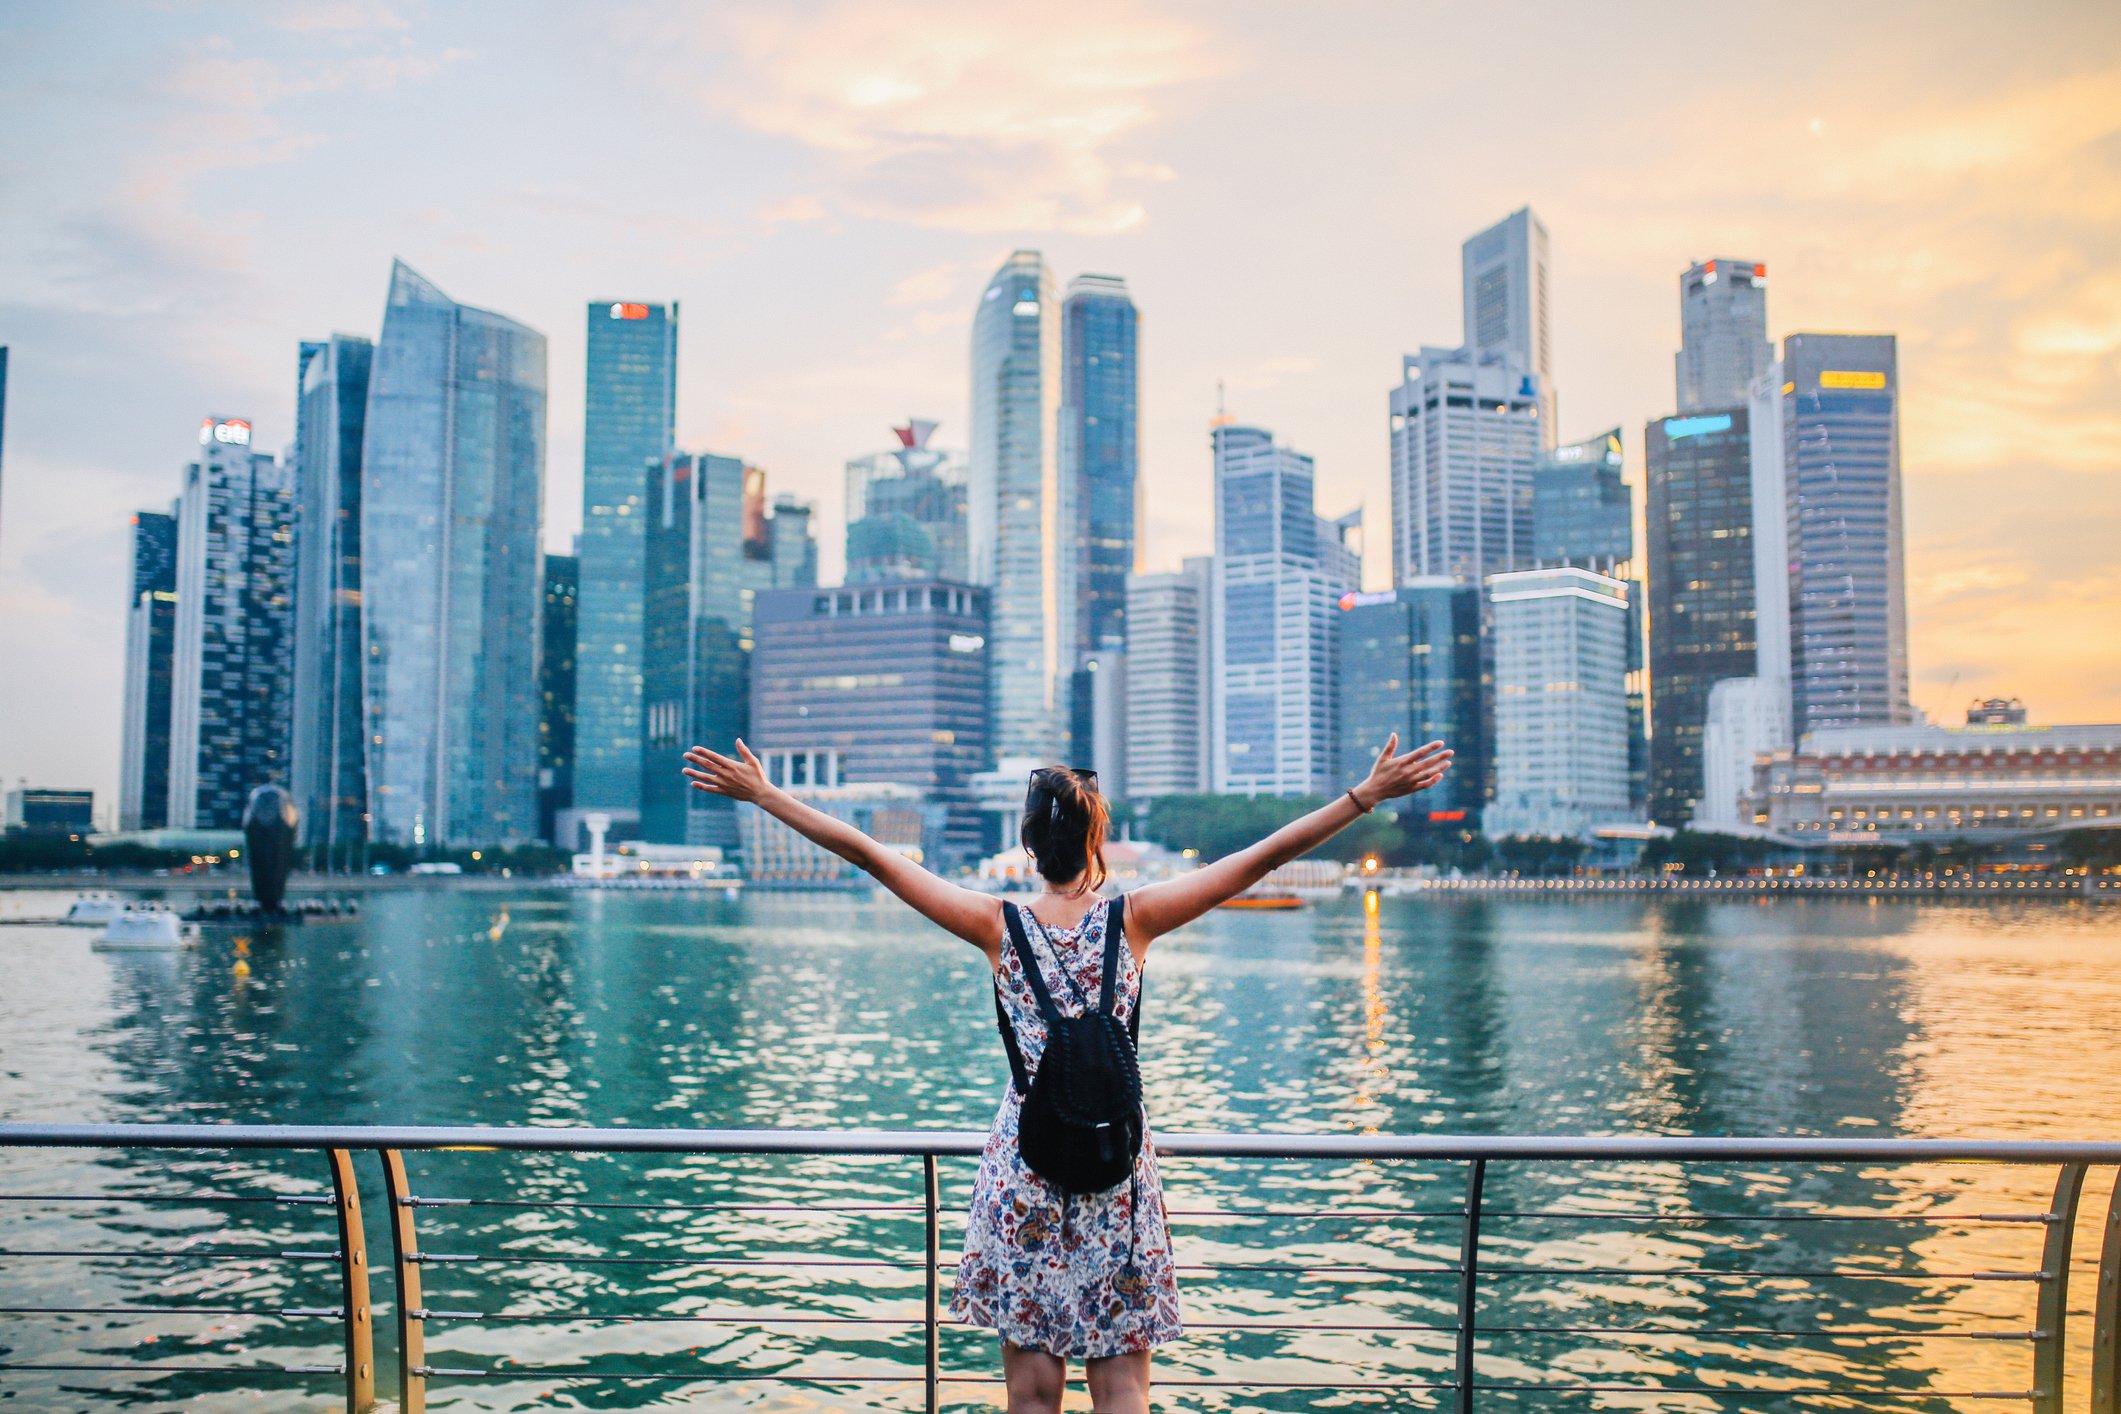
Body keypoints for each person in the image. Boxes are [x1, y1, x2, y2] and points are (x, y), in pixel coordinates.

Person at [681, 733, 1453, 1414]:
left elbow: (869, 855)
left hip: (1025, 1170)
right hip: (1115, 1175)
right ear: (1099, 843)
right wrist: (1364, 796)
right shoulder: (1136, 919)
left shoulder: (993, 924)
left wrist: (766, 795)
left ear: (1026, 845)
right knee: (1122, 1389)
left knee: (1030, 1396)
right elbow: (1262, 859)